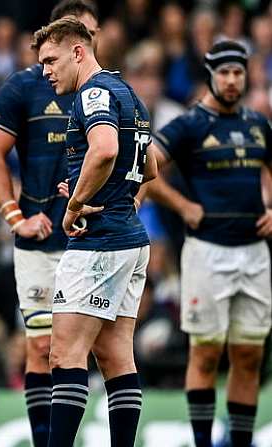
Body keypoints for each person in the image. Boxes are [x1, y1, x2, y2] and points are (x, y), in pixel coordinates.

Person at [0, 2, 99, 445]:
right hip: (41, 238)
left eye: (92, 34)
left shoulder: (109, 91)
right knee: (42, 347)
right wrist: (16, 217)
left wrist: (116, 200)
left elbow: (143, 160)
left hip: (95, 238)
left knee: (95, 351)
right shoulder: (24, 87)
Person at [31, 17, 157, 446]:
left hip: (98, 242)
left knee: (64, 354)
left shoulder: (94, 92)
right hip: (131, 240)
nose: (46, 71)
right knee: (115, 355)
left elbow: (105, 148)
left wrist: (75, 203)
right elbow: (150, 167)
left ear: (78, 52)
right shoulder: (129, 93)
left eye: (51, 60)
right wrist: (101, 184)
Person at [146, 41, 272, 447]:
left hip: (254, 252)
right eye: (225, 73)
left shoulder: (257, 123)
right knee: (205, 353)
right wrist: (183, 205)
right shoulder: (190, 124)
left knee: (249, 354)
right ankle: (203, 443)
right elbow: (148, 166)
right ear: (211, 76)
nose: (232, 81)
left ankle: (239, 442)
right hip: (206, 252)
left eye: (239, 73)